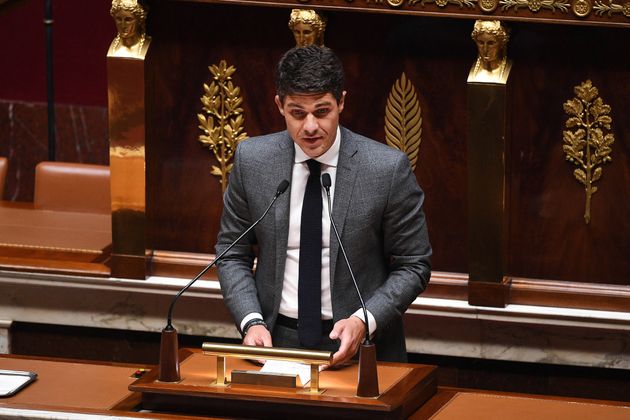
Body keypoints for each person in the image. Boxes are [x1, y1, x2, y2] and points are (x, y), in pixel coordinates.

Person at [216, 45, 431, 366]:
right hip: (274, 341)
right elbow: (232, 252)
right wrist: (251, 320)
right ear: (279, 106)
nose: (311, 127)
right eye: (297, 113)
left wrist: (364, 320)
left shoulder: (386, 170)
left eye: (322, 111)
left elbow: (414, 264)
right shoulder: (253, 161)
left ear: (341, 102)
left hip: (360, 343)